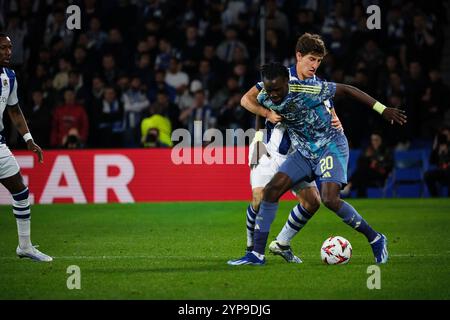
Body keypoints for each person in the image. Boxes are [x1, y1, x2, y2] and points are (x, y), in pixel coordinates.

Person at [229, 62, 407, 266]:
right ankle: (256, 255)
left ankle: (375, 238)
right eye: (270, 90)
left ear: (287, 82)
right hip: (304, 152)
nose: (274, 95)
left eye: (278, 90)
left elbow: (348, 90)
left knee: (329, 199)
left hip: (330, 146)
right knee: (270, 192)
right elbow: (253, 104)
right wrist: (259, 136)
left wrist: (382, 109)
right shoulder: (266, 94)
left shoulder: (310, 89)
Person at [235, 33, 344, 264]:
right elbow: (248, 100)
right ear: (299, 56)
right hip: (269, 150)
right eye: (311, 59)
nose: (314, 65)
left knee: (312, 201)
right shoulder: (280, 77)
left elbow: (330, 112)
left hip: (299, 154)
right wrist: (260, 129)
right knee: (258, 197)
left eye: (318, 61)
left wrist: (336, 120)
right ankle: (250, 248)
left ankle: (282, 243)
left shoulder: (316, 86)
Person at [0, 33, 52, 261]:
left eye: (9, 48)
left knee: (20, 190)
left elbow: (13, 110)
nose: (8, 52)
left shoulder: (9, 77)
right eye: (2, 48)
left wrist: (28, 139)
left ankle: (25, 246)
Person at [341, 132, 393, 197]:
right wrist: (367, 157)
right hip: (367, 175)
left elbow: (389, 165)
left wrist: (377, 163)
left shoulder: (386, 150)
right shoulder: (368, 150)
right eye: (372, 140)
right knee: (362, 177)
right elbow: (359, 163)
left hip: (381, 175)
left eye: (376, 140)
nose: (374, 142)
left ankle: (349, 185)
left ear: (381, 140)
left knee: (362, 172)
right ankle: (358, 195)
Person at [424, 127, 450, 197]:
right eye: (442, 135)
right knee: (428, 175)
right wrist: (435, 148)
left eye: (446, 135)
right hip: (442, 171)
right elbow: (431, 161)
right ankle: (435, 198)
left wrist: (447, 152)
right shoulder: (439, 147)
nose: (444, 137)